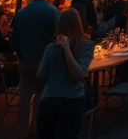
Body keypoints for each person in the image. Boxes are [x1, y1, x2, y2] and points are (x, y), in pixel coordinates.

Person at [10, 0, 59, 138]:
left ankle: (22, 130)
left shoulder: (21, 13)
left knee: (25, 93)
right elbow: (58, 36)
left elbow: (14, 39)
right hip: (44, 58)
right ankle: (38, 127)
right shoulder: (51, 11)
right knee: (41, 93)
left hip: (25, 59)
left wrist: (20, 55)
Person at [36, 9, 94, 139]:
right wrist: (67, 50)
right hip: (72, 99)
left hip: (49, 99)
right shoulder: (87, 46)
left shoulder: (50, 48)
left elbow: (41, 74)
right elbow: (78, 75)